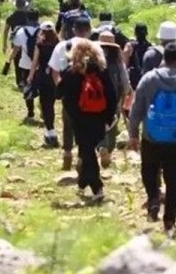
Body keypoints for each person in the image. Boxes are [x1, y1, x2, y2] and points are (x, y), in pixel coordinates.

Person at [128, 43, 176, 236]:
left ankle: (153, 199)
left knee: (149, 170)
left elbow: (136, 109)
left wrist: (133, 133)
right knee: (175, 181)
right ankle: (169, 220)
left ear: (164, 58)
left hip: (151, 138)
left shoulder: (148, 79)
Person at [57, 39, 118, 202]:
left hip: (79, 119)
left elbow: (59, 93)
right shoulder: (101, 70)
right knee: (87, 149)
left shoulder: (72, 71)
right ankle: (83, 182)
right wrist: (109, 117)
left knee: (87, 151)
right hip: (99, 117)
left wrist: (73, 114)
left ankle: (97, 188)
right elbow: (112, 95)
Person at [48, 17, 105, 171]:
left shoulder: (62, 46)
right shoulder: (95, 47)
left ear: (73, 29)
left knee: (68, 123)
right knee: (85, 126)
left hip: (69, 92)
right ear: (89, 30)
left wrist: (60, 87)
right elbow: (101, 71)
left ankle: (67, 153)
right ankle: (82, 157)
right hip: (89, 94)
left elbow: (54, 70)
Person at [95, 31, 130, 168]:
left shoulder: (93, 58)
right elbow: (124, 77)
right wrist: (127, 91)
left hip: (96, 98)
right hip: (114, 98)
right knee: (112, 124)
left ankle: (101, 147)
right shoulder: (117, 58)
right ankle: (108, 151)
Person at [27, 21, 60, 147]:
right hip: (55, 76)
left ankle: (50, 130)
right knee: (50, 104)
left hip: (43, 77)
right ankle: (51, 128)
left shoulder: (39, 45)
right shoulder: (58, 45)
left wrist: (30, 76)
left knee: (44, 103)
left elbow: (35, 62)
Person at [11, 9, 41, 120]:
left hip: (25, 64)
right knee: (42, 88)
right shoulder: (43, 31)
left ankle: (30, 112)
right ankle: (43, 108)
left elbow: (15, 49)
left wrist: (8, 61)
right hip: (40, 65)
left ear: (27, 19)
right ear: (38, 18)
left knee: (28, 88)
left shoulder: (21, 32)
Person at [122, 23, 152, 123]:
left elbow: (124, 63)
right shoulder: (151, 46)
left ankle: (131, 120)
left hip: (133, 76)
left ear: (135, 33)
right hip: (146, 77)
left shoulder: (130, 45)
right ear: (146, 33)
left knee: (130, 102)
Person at [2, 0, 30, 86]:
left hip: (15, 41)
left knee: (17, 61)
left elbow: (6, 30)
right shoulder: (28, 17)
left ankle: (19, 81)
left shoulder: (11, 17)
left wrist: (4, 44)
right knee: (26, 60)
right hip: (26, 41)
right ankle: (25, 79)